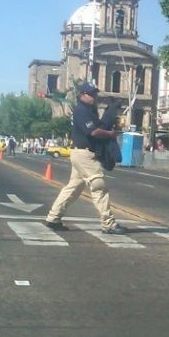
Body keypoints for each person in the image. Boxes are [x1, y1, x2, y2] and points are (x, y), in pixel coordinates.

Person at [43, 83, 126, 235]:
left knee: (73, 188)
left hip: (80, 153)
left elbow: (100, 124)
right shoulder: (82, 111)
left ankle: (53, 218)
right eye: (91, 94)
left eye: (95, 94)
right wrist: (110, 134)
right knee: (98, 186)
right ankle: (108, 224)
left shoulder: (89, 110)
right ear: (82, 94)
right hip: (84, 155)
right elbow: (93, 132)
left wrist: (110, 112)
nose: (94, 96)